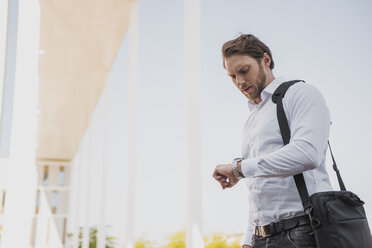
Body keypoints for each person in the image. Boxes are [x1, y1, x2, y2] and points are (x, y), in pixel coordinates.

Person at [212, 34, 333, 248]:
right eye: (232, 76)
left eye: (244, 70)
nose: (239, 82)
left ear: (265, 60)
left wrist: (239, 168)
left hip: (305, 231)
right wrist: (249, 240)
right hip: (262, 238)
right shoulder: (253, 119)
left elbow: (307, 154)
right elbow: (259, 186)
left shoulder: (299, 93)